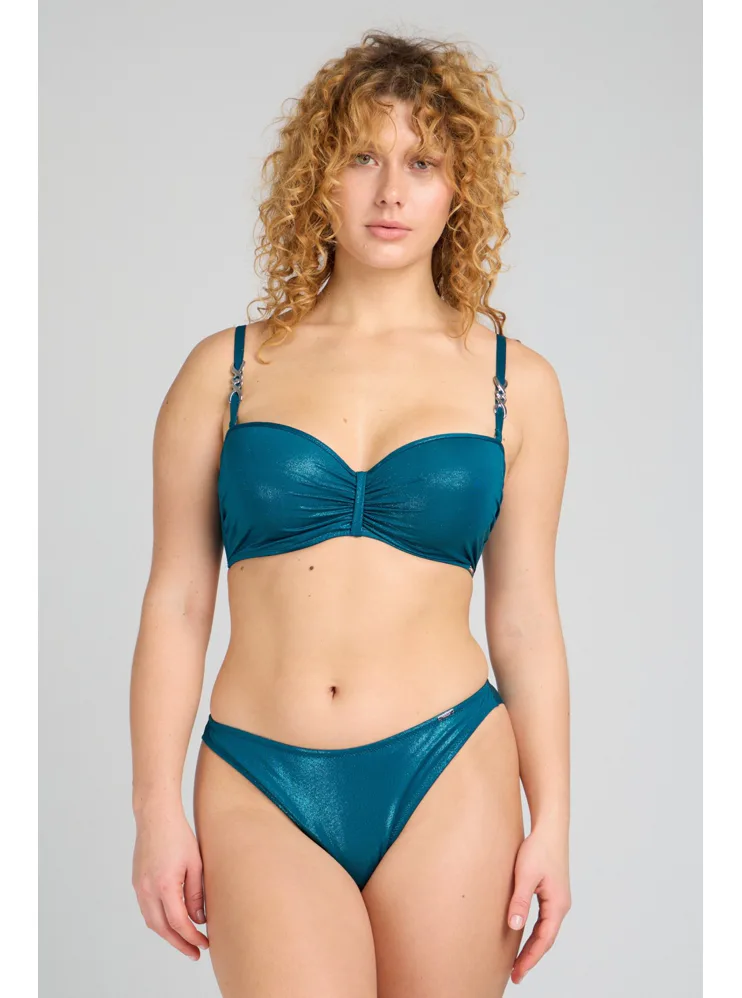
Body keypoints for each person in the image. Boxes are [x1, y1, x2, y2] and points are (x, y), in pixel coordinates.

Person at [130, 30, 571, 998]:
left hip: (448, 766)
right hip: (259, 779)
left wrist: (554, 823)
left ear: (459, 188)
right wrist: (154, 809)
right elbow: (176, 604)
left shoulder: (516, 387)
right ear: (317, 178)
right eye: (362, 157)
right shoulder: (225, 372)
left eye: (422, 163)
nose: (390, 192)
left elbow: (526, 619)